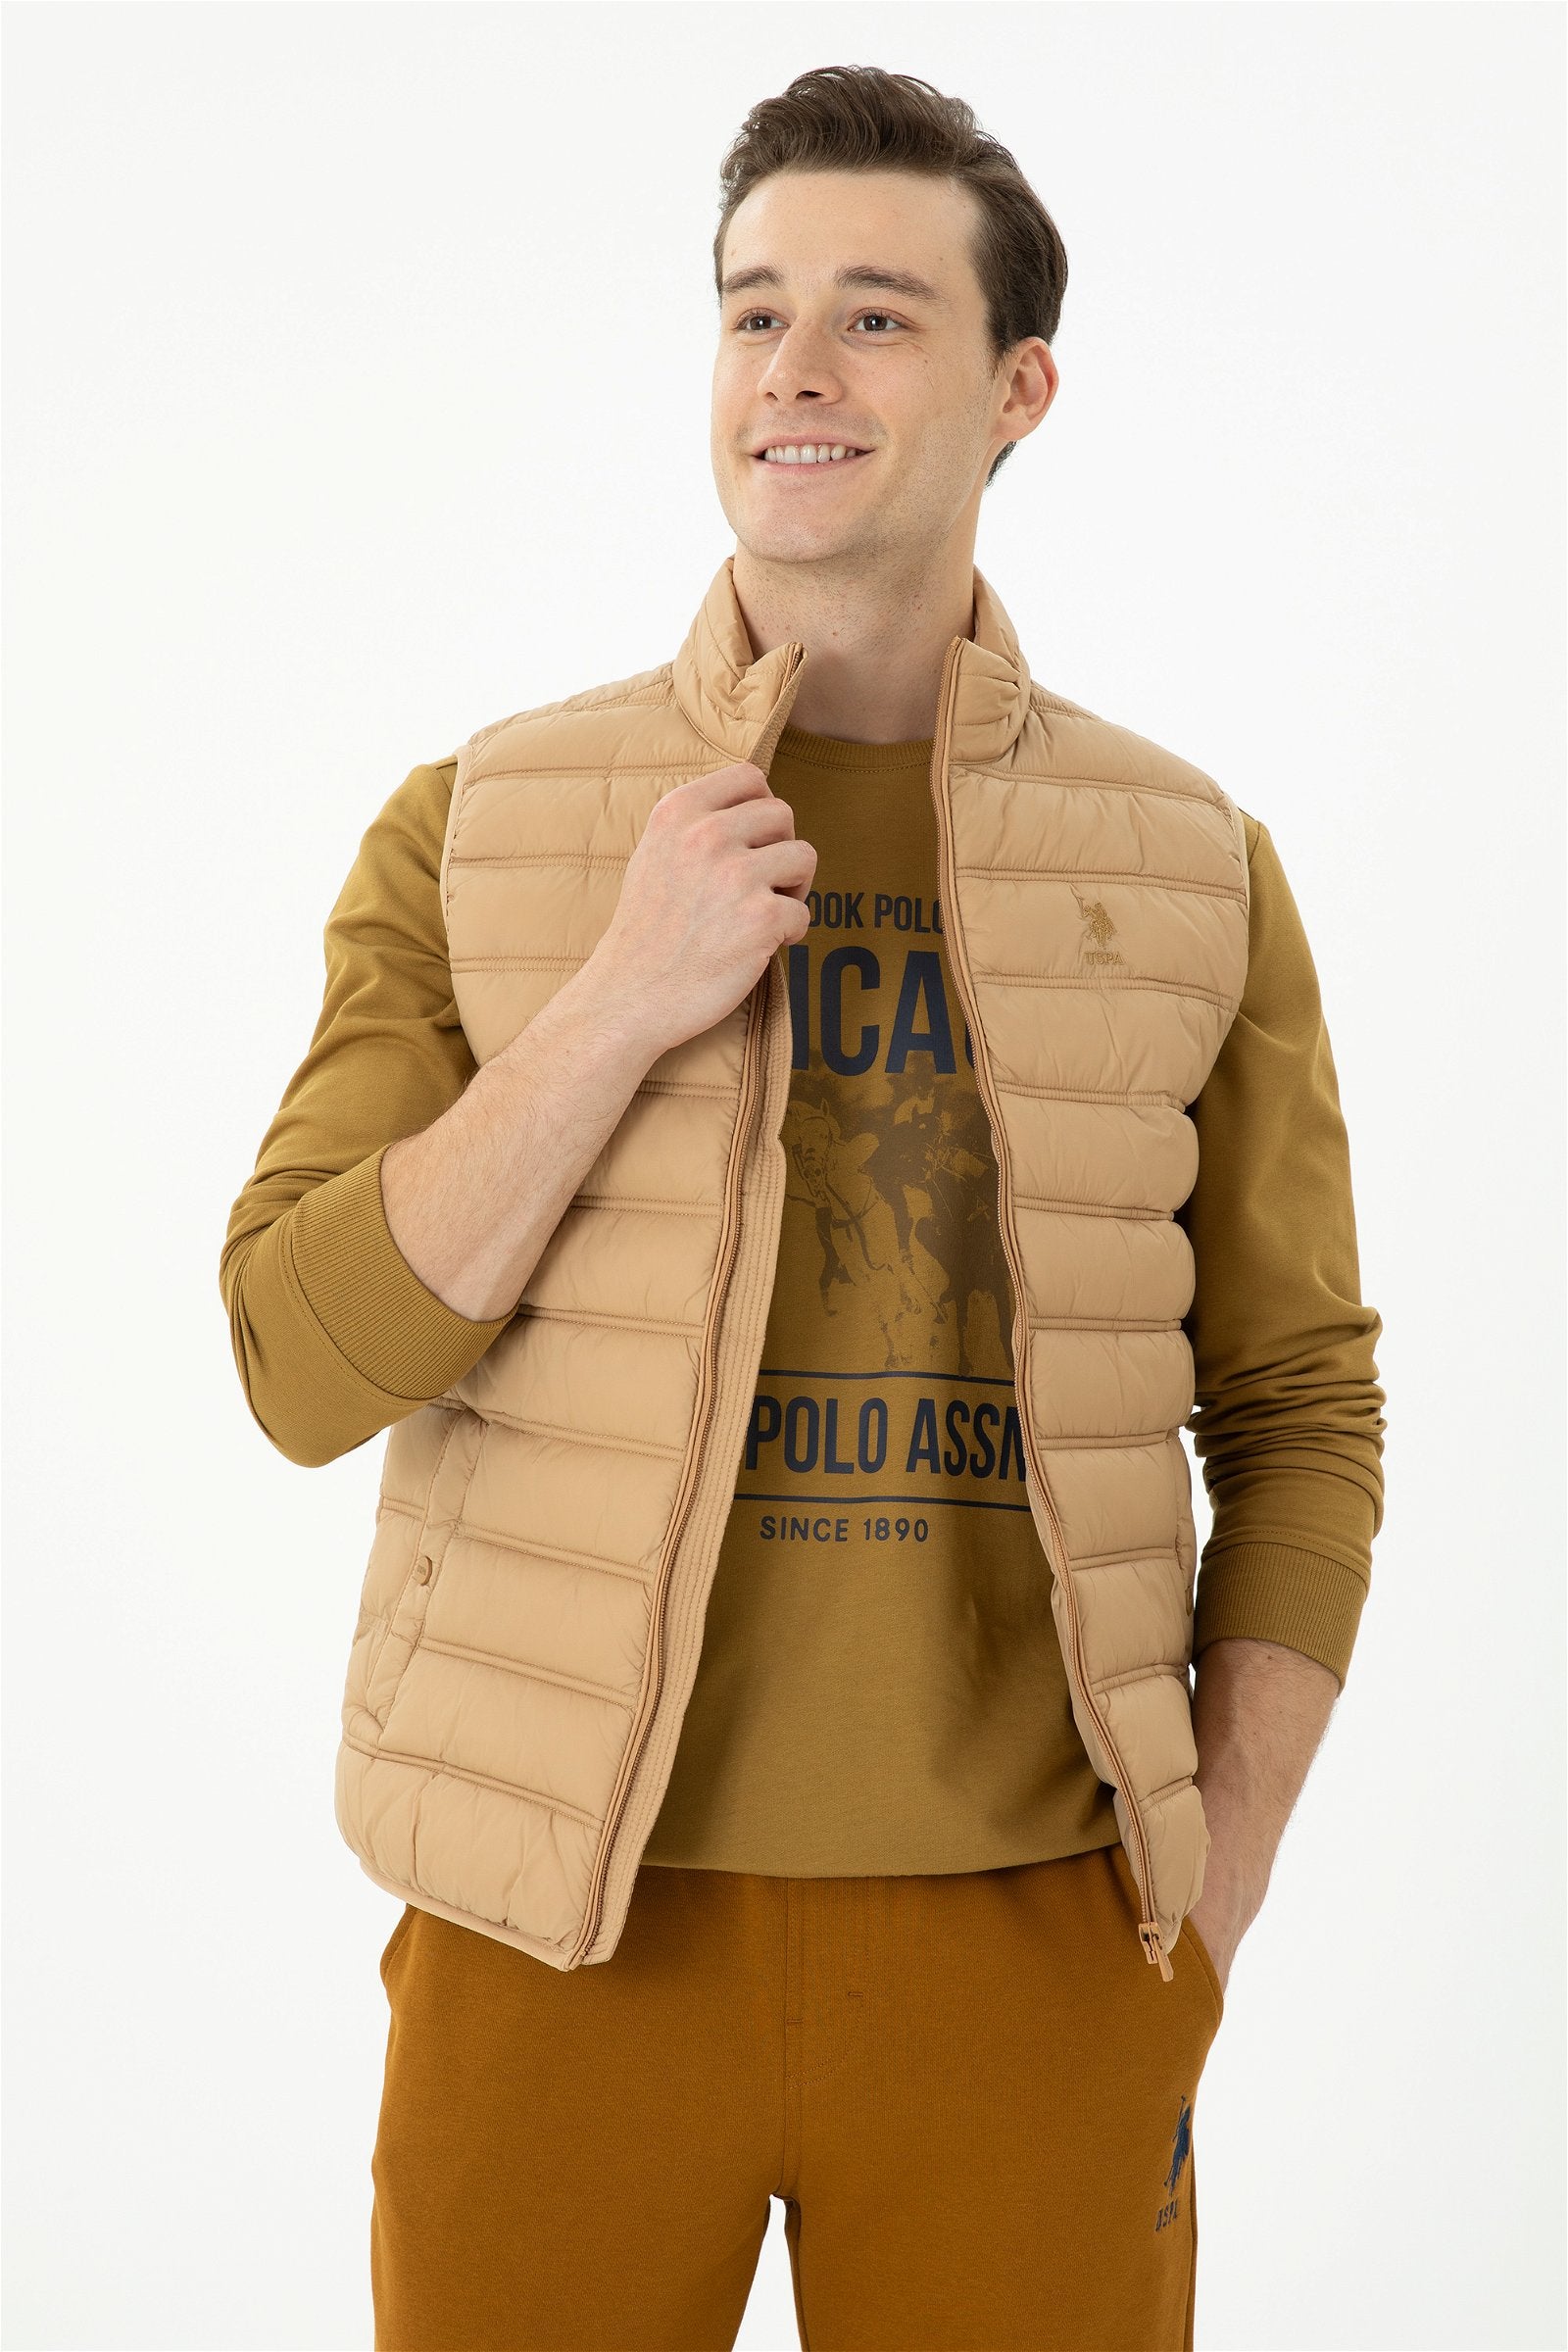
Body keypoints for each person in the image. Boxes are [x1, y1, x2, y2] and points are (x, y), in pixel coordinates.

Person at [219, 64, 1386, 2352]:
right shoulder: (482, 828)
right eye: (752, 312)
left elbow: (1297, 1406)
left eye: (873, 314)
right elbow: (296, 1360)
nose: (794, 370)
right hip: (557, 1940)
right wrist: (614, 1003)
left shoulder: (1187, 869)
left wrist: (1211, 1884)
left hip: (1033, 1949)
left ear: (1016, 387)